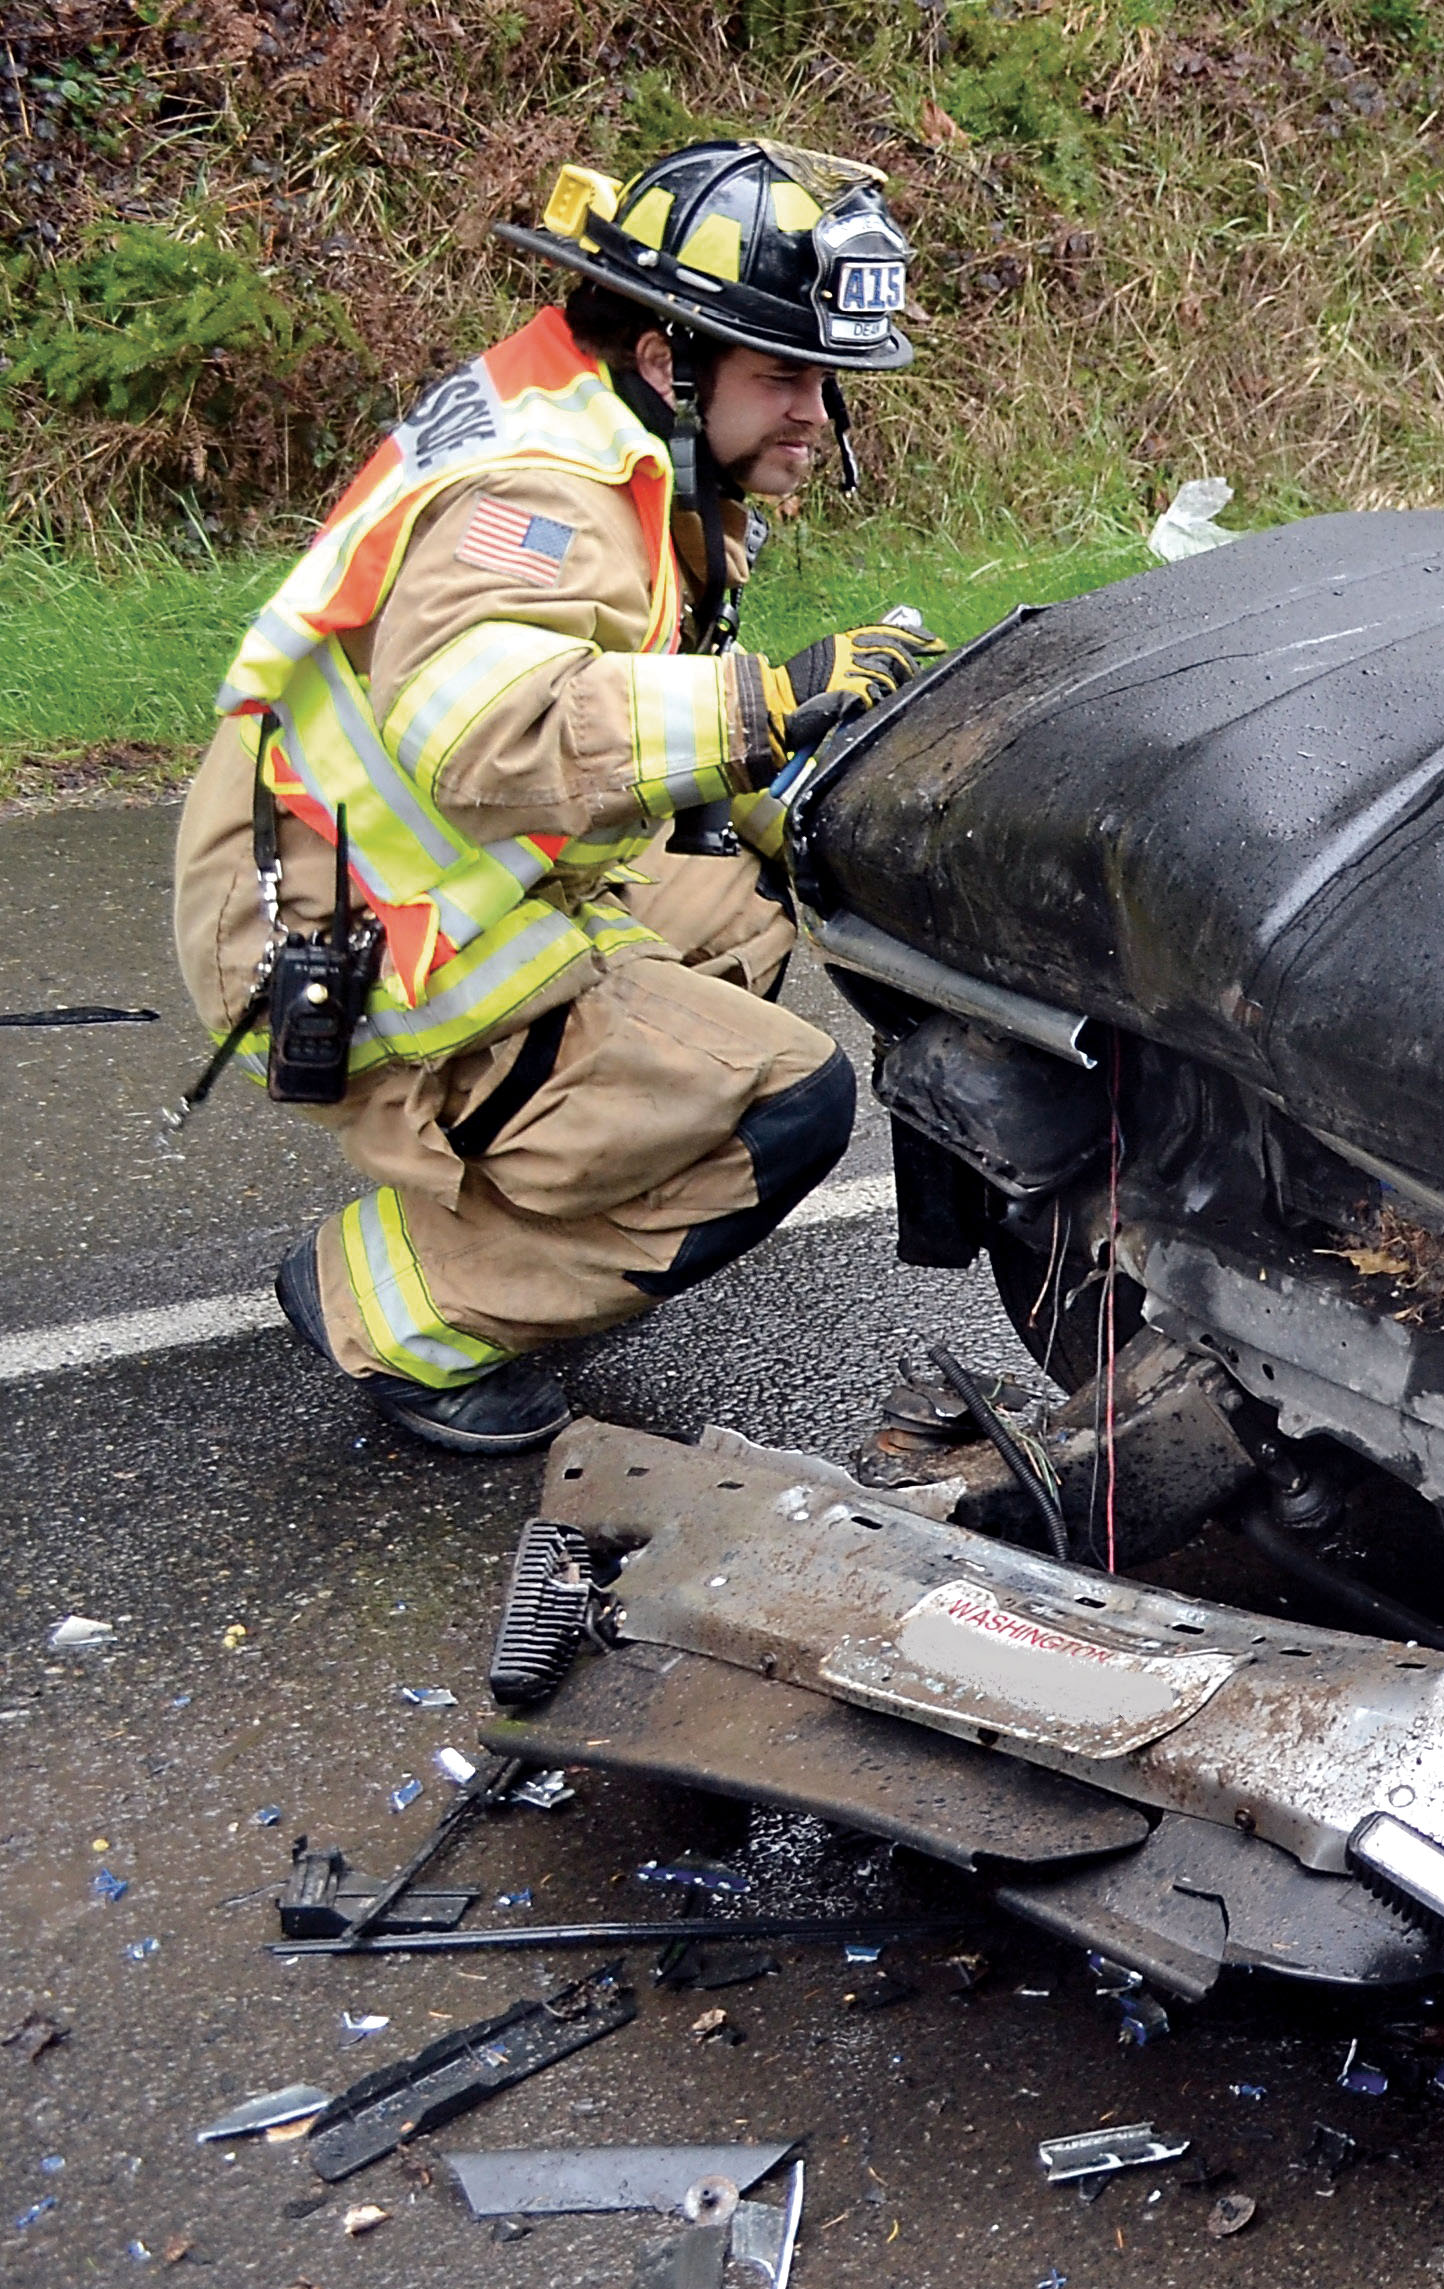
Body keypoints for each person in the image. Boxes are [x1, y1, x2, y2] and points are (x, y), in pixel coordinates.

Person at [172, 140, 952, 1458]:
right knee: (792, 1104)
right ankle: (411, 1308)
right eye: (786, 376)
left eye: (828, 379)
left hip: (407, 871)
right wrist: (765, 702)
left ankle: (573, 1195)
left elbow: (606, 699)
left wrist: (803, 788)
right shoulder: (544, 494)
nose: (817, 414)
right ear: (669, 357)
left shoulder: (613, 427)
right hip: (338, 930)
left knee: (756, 889)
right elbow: (477, 731)